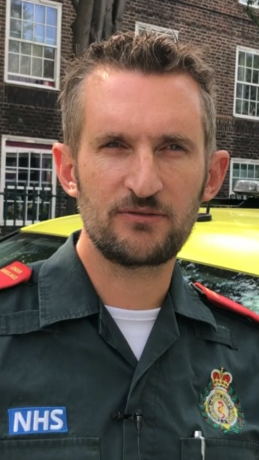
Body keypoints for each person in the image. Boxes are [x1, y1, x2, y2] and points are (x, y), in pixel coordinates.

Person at [0, 31, 259, 460]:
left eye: (172, 147)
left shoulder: (250, 356)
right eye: (115, 145)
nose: (144, 182)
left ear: (212, 176)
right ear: (68, 169)